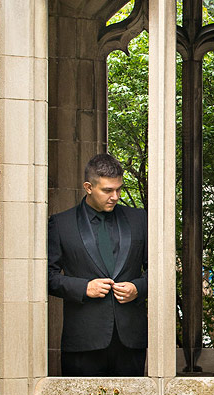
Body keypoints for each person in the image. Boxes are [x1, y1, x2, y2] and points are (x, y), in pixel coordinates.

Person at [48, 152, 147, 376]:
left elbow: (159, 271)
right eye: (107, 190)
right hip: (82, 342)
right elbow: (47, 277)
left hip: (130, 342)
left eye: (118, 189)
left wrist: (137, 289)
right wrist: (84, 288)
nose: (115, 196)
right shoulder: (61, 224)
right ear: (88, 187)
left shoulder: (139, 219)